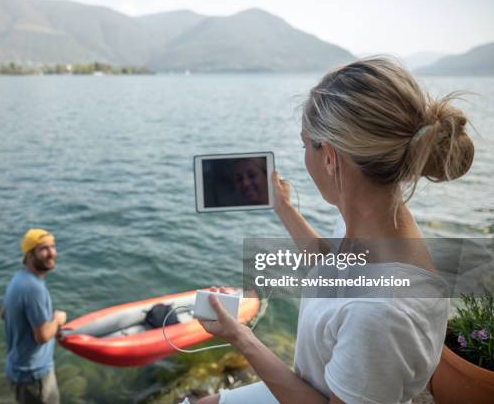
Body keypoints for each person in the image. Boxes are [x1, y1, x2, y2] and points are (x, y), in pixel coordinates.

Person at [196, 58, 474, 403]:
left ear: (329, 157)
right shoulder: (378, 217)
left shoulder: (379, 315)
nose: (304, 158)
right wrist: (283, 207)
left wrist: (240, 337)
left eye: (304, 146)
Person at [0, 228, 67, 404]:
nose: (51, 253)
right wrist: (57, 319)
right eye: (44, 248)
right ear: (30, 255)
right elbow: (43, 336)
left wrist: (41, 319)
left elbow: (3, 314)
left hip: (17, 369)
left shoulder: (18, 278)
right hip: (34, 376)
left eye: (53, 246)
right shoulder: (34, 288)